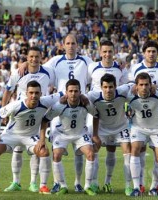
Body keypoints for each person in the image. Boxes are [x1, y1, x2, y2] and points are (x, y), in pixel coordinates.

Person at [0, 81, 61, 194]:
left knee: (44, 152)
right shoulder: (16, 105)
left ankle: (43, 186)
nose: (34, 95)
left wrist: (81, 97)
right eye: (31, 93)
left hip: (31, 137)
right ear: (26, 93)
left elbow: (64, 93)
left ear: (41, 94)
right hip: (11, 135)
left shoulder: (46, 101)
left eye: (36, 93)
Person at [41, 34, 93, 193]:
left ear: (78, 45)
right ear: (63, 45)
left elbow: (100, 71)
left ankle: (79, 183)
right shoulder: (55, 61)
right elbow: (40, 68)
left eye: (73, 43)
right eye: (68, 43)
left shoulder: (86, 61)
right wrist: (23, 63)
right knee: (56, 151)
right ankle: (59, 183)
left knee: (81, 150)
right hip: (61, 107)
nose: (71, 46)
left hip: (82, 107)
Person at [2, 46, 54, 193]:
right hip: (19, 115)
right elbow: (8, 90)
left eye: (37, 56)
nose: (34, 59)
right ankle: (16, 182)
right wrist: (4, 110)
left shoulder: (48, 72)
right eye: (31, 56)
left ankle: (33, 182)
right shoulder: (18, 72)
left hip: (37, 114)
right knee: (17, 149)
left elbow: (58, 85)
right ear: (27, 57)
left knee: (35, 150)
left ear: (41, 57)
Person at [129, 40, 158, 194]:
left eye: (154, 51)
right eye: (148, 51)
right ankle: (138, 186)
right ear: (144, 53)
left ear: (157, 53)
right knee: (136, 150)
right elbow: (129, 87)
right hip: (139, 121)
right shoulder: (135, 68)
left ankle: (156, 185)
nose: (151, 54)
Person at [40, 79, 97, 195]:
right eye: (70, 91)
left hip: (80, 133)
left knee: (90, 154)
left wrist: (95, 135)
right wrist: (42, 139)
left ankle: (87, 186)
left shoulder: (85, 103)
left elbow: (96, 115)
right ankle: (63, 186)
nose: (73, 94)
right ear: (66, 92)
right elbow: (45, 119)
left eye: (76, 91)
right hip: (63, 134)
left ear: (80, 92)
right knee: (56, 155)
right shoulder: (60, 105)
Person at [87, 74, 132, 195]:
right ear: (101, 87)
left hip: (120, 128)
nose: (108, 90)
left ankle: (127, 186)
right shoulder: (93, 96)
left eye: (111, 87)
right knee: (95, 152)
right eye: (105, 87)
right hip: (102, 129)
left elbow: (134, 85)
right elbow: (81, 98)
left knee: (127, 153)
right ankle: (95, 183)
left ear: (115, 86)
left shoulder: (122, 91)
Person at [128, 72, 158, 196]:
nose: (144, 87)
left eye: (146, 84)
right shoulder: (130, 94)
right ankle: (136, 187)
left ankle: (154, 187)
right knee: (135, 149)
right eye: (141, 85)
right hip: (138, 128)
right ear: (136, 86)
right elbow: (117, 89)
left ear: (151, 85)